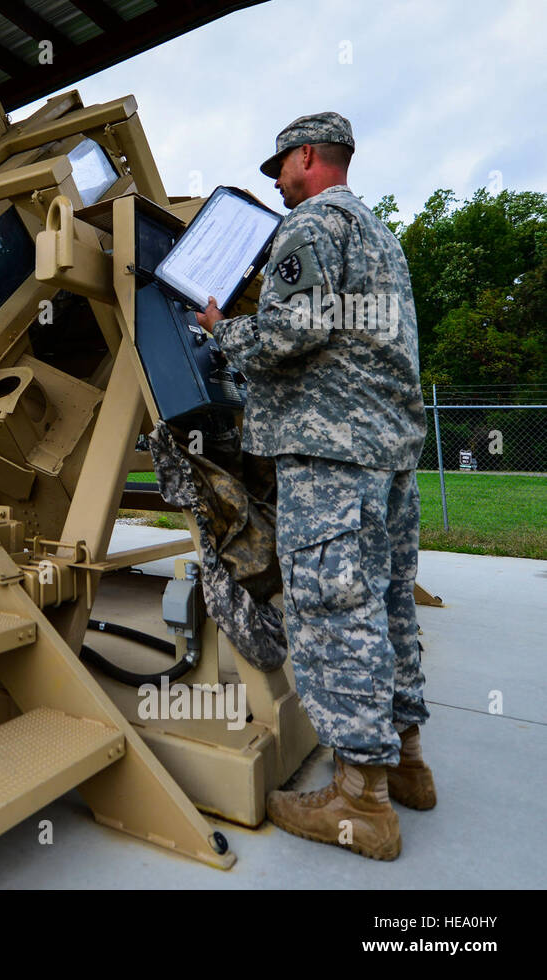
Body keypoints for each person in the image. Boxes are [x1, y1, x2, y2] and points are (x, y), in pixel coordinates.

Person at [196, 112, 432, 860]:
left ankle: (362, 801)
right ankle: (410, 767)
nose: (279, 185)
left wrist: (220, 329)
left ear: (307, 157)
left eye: (281, 171)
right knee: (388, 606)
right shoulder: (378, 235)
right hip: (388, 455)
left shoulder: (311, 228)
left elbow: (289, 335)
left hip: (329, 459)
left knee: (335, 615)